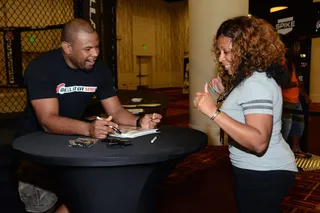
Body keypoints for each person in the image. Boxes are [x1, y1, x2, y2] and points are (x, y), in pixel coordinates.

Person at [15, 18, 162, 213]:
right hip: (37, 152)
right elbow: (48, 121)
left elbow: (116, 111)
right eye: (87, 49)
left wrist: (139, 121)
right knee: (43, 207)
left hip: (71, 147)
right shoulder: (41, 68)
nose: (95, 54)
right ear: (67, 47)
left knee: (84, 200)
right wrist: (88, 128)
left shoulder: (99, 69)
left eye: (97, 47)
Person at [193, 16, 297, 213]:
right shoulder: (251, 78)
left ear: (247, 52)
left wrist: (213, 112)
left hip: (265, 172)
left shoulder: (256, 83)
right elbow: (246, 110)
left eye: (226, 52)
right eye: (219, 51)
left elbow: (258, 142)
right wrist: (226, 90)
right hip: (258, 171)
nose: (220, 58)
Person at [281, 42, 312, 158]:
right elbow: (284, 83)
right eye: (297, 46)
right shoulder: (283, 63)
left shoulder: (294, 63)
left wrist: (305, 96)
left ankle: (295, 149)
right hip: (286, 101)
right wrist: (295, 83)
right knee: (286, 129)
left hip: (296, 100)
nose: (299, 49)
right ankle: (281, 153)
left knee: (299, 126)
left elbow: (300, 83)